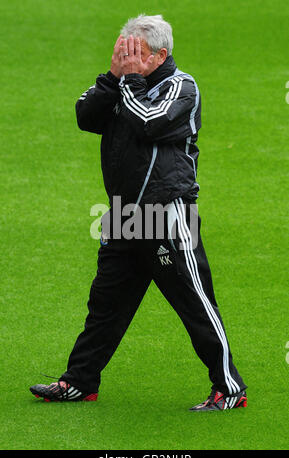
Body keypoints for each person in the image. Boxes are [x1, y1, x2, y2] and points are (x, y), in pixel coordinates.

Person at [30, 14, 247, 411]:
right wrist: (114, 78)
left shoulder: (182, 87)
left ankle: (229, 388)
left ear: (160, 54)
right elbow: (85, 115)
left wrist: (128, 81)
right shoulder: (121, 85)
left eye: (134, 52)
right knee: (105, 306)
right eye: (121, 50)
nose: (125, 57)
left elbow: (149, 122)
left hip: (167, 215)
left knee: (195, 304)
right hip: (123, 217)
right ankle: (79, 382)